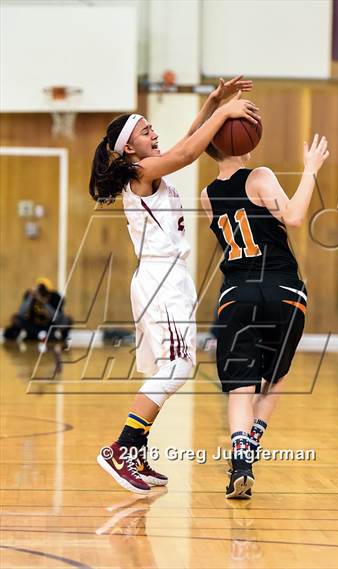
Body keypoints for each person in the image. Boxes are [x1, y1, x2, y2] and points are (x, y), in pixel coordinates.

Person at [89, 76, 260, 495]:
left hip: (168, 279)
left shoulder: (149, 167)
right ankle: (122, 447)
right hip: (160, 278)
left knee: (168, 367)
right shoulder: (139, 170)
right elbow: (189, 150)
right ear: (129, 147)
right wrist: (223, 113)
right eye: (146, 129)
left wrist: (214, 100)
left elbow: (186, 141)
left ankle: (137, 447)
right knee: (177, 367)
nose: (155, 132)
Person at [201, 134, 329, 498]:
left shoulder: (207, 196)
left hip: (237, 291)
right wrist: (310, 170)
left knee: (240, 387)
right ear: (242, 141)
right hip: (282, 288)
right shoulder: (259, 176)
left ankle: (241, 462)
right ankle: (252, 445)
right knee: (276, 376)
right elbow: (295, 216)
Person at [3, 277, 72, 343]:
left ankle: (58, 337)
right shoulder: (31, 297)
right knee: (15, 318)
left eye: (44, 292)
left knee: (67, 319)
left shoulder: (56, 298)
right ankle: (33, 335)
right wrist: (31, 297)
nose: (42, 294)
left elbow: (56, 317)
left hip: (49, 326)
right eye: (40, 291)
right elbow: (21, 313)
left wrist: (43, 302)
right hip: (33, 326)